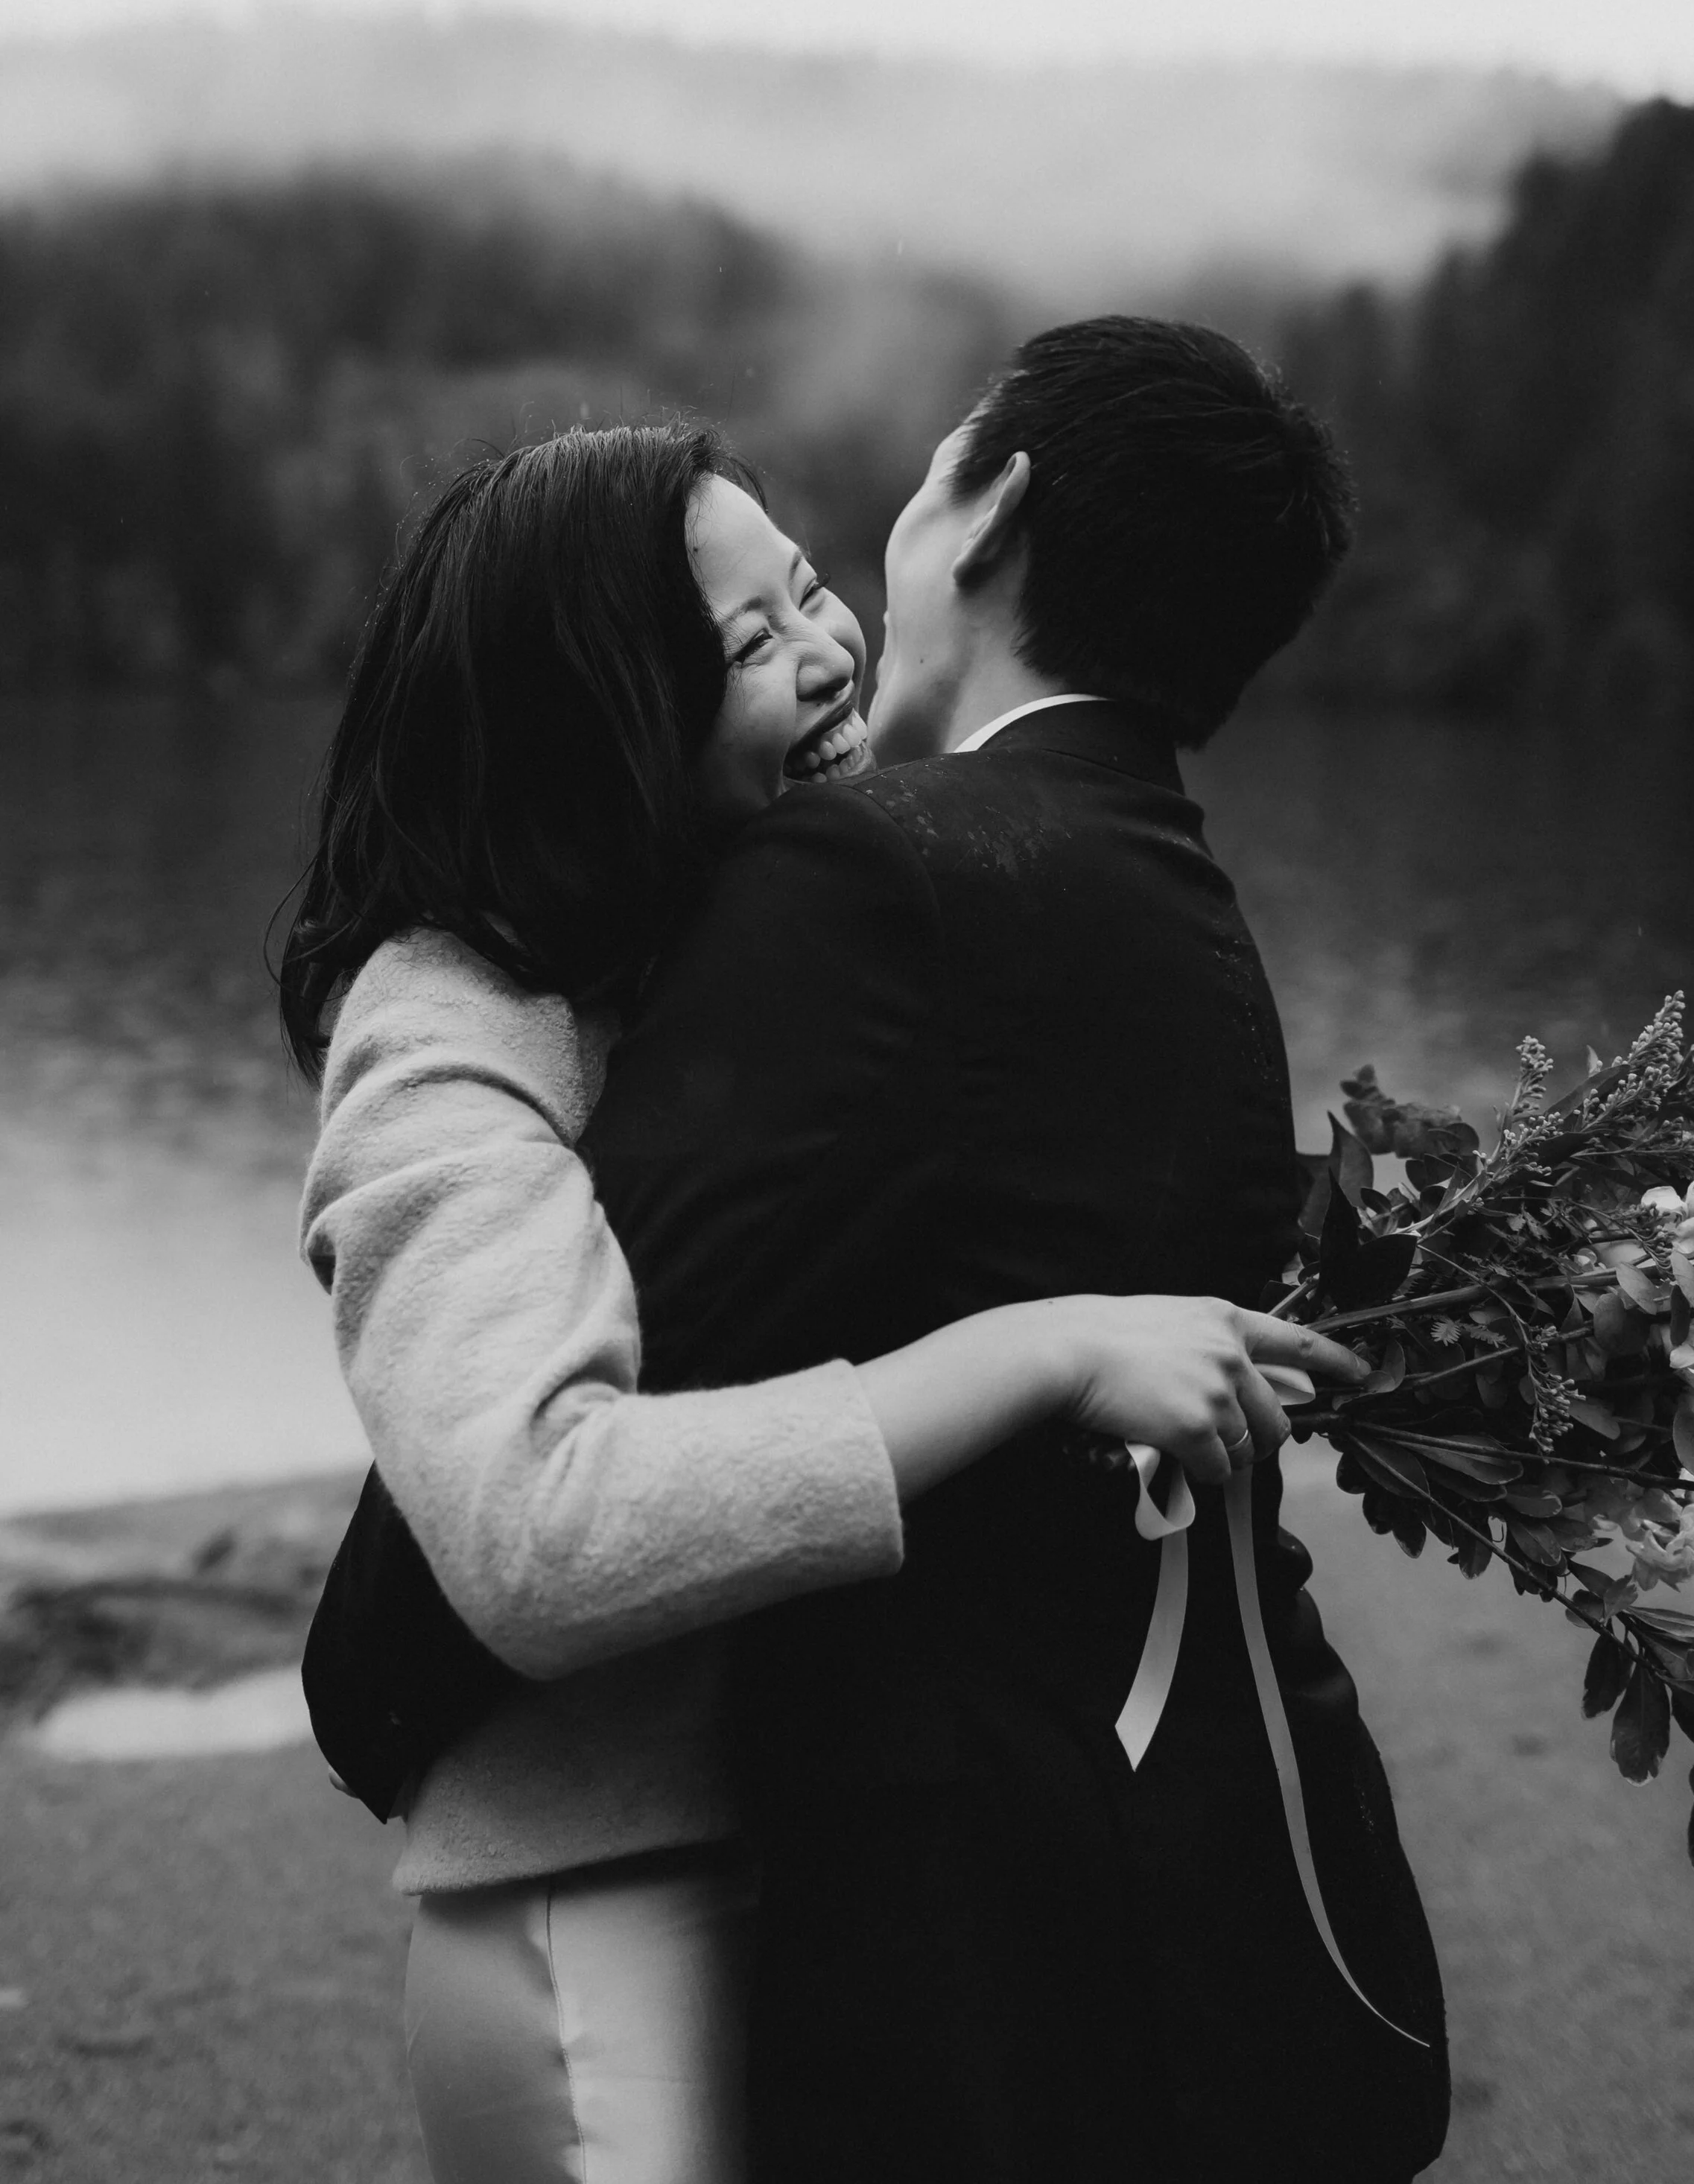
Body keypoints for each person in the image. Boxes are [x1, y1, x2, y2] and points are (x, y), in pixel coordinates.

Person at [282, 418, 1360, 2184]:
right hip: (595, 1907)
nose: (828, 645)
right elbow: (535, 1530)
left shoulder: (755, 952)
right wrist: (1034, 1349)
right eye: (748, 640)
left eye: (805, 587)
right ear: (594, 716)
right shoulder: (440, 1047)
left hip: (823, 1875)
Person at [574, 316, 1451, 2184]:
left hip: (982, 1940)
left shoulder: (881, 866)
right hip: (1214, 1858)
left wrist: (380, 1676)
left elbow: (633, 1340)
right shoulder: (1170, 882)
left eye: (920, 473)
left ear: (986, 506)